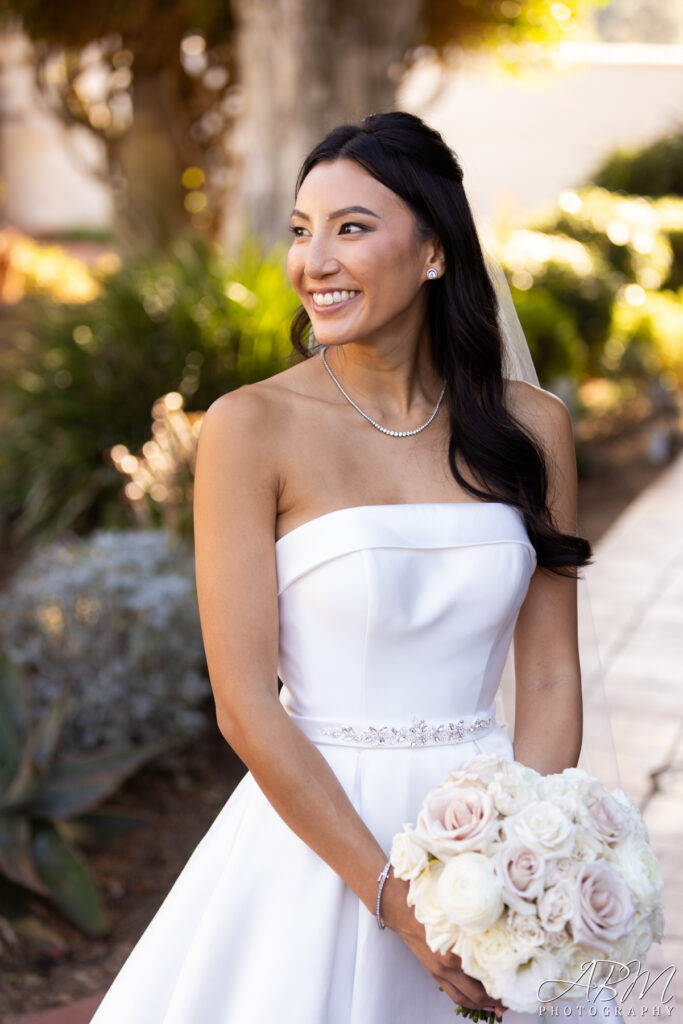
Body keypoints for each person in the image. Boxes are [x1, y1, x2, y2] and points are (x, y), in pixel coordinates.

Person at [89, 111, 598, 1024]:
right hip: (313, 841)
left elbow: (553, 675)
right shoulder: (250, 428)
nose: (312, 261)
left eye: (351, 228)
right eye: (300, 229)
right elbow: (245, 703)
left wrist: (520, 873)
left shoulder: (533, 429)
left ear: (434, 251)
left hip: (488, 835)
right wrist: (397, 903)